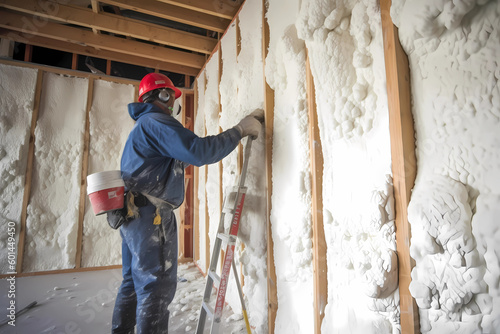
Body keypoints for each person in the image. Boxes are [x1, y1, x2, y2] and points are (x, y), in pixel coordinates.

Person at [111, 72, 263, 334]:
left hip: (133, 216)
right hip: (151, 218)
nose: (173, 106)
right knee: (155, 287)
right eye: (171, 98)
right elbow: (199, 151)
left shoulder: (143, 126)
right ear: (163, 95)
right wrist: (239, 131)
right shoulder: (157, 122)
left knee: (133, 283)